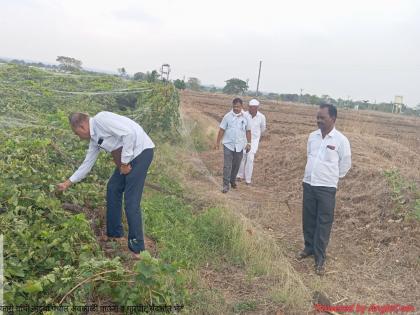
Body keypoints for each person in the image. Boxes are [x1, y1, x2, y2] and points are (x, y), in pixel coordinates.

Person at [57, 111, 155, 258]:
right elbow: (87, 164)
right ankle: (115, 234)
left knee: (131, 202)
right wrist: (68, 182)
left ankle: (138, 249)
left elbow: (128, 134)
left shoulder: (101, 119)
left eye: (77, 133)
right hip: (127, 158)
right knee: (113, 188)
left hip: (141, 152)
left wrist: (124, 162)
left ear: (82, 126)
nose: (78, 137)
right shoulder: (94, 139)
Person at [296, 103, 351, 275]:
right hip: (309, 183)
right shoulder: (312, 137)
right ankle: (309, 248)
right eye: (317, 117)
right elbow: (309, 156)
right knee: (309, 218)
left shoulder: (341, 140)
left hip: (327, 187)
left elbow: (345, 164)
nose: (318, 120)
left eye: (322, 117)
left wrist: (331, 177)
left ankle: (320, 256)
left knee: (323, 222)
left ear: (333, 119)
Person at [214, 98, 251, 193]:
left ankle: (232, 180)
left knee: (236, 165)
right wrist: (217, 142)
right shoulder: (227, 116)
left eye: (238, 106)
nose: (236, 108)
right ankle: (225, 185)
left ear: (242, 106)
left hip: (240, 145)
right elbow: (222, 129)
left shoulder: (246, 117)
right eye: (234, 106)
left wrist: (249, 143)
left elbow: (248, 131)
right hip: (228, 144)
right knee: (227, 165)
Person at [237, 99, 266, 185]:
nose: (252, 109)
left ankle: (248, 180)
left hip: (254, 140)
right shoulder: (244, 115)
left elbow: (263, 129)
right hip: (244, 138)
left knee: (250, 158)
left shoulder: (261, 117)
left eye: (254, 108)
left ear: (257, 108)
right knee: (242, 156)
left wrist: (257, 137)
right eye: (250, 107)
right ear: (248, 107)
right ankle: (239, 176)